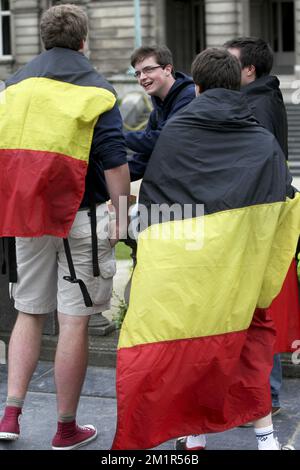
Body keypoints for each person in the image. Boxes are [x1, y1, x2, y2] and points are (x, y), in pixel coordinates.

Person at [111, 48, 299, 450]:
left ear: (195, 87)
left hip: (185, 273)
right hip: (235, 272)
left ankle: (191, 436)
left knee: (187, 353)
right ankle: (267, 441)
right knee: (248, 346)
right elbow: (281, 210)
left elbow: (155, 207)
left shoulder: (176, 134)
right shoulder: (261, 140)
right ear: (236, 84)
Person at [0, 4, 130, 450]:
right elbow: (114, 161)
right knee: (73, 321)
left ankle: (11, 415)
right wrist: (122, 216)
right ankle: (65, 428)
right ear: (83, 40)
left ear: (42, 39)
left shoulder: (14, 86)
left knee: (29, 311)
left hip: (27, 216)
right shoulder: (97, 88)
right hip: (81, 215)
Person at [224, 36, 296, 423]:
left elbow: (258, 165)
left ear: (249, 70)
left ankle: (264, 396)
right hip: (262, 217)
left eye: (231, 62)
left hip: (256, 220)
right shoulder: (262, 97)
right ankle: (265, 395)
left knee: (256, 312)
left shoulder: (257, 105)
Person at [125, 45, 195, 181]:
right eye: (138, 73)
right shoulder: (156, 112)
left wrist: (116, 138)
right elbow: (142, 161)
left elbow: (163, 140)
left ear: (167, 69)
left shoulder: (189, 97)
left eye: (148, 70)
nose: (142, 78)